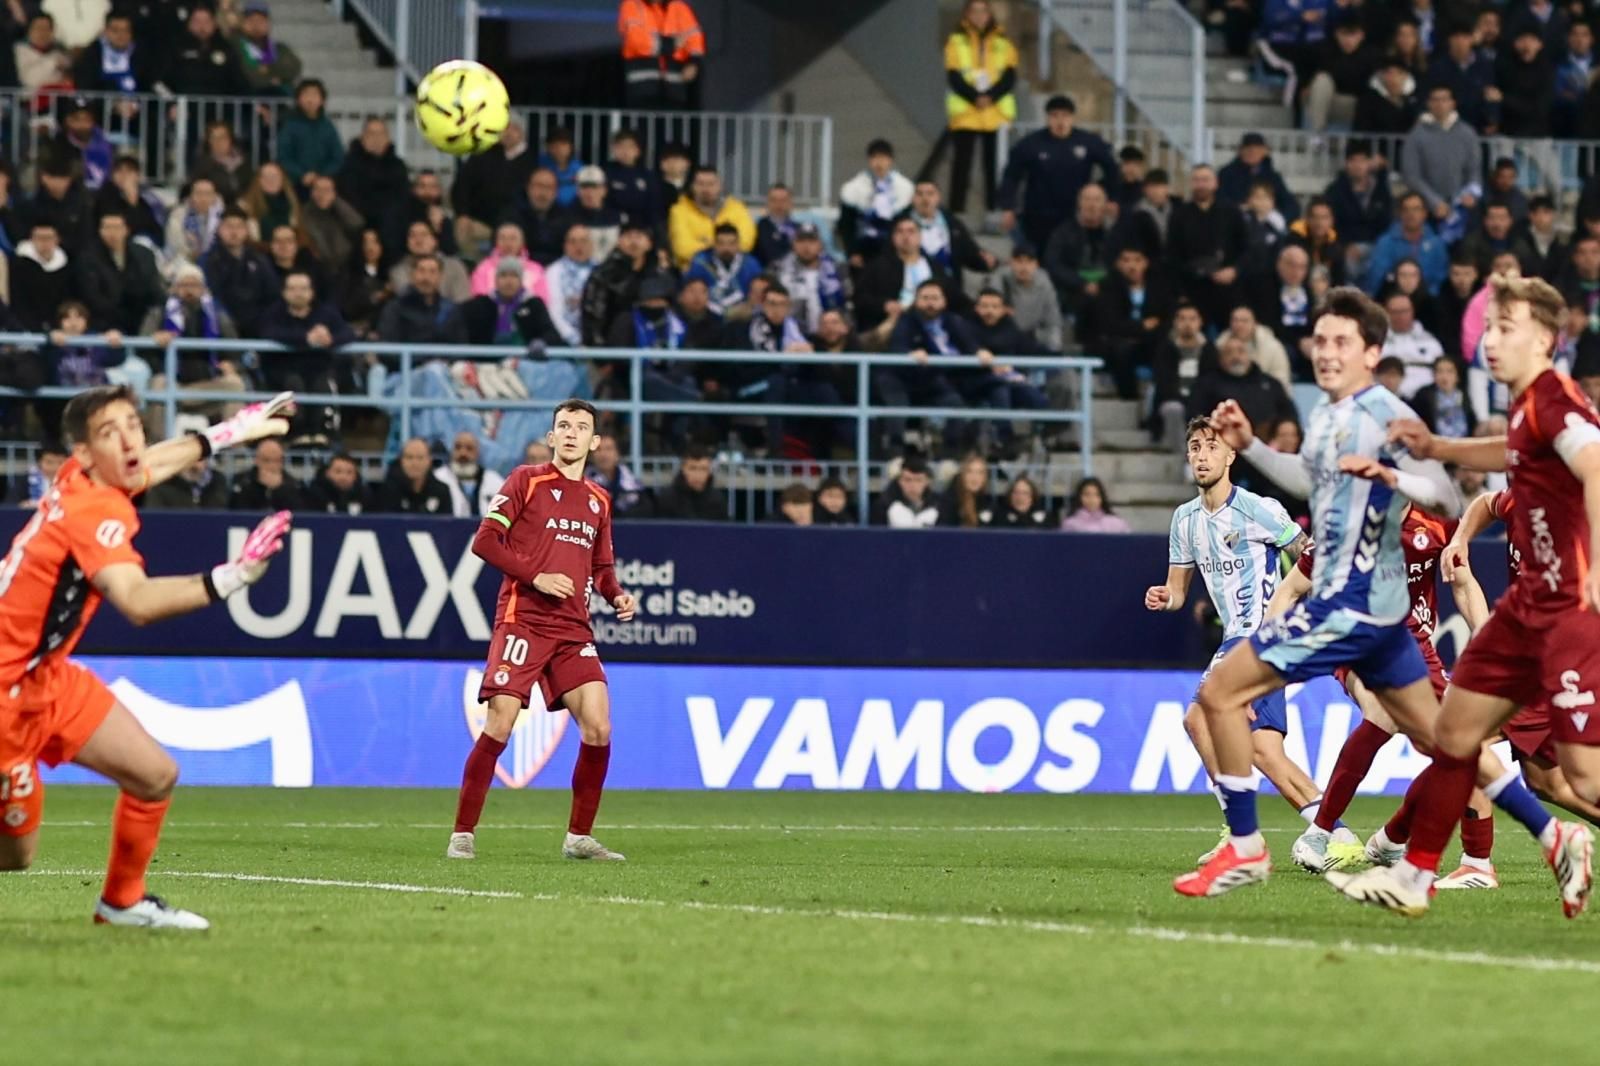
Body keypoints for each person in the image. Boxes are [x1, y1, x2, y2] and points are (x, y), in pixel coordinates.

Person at [1175, 287, 1468, 900]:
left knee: (1450, 740)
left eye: (1340, 342)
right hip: (1360, 615)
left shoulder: (1388, 414)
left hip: (1367, 616)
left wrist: (1394, 475)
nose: (1325, 353)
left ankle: (1282, 840)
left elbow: (1447, 499)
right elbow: (1311, 494)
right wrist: (1255, 447)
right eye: (1321, 341)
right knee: (1442, 740)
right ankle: (1536, 836)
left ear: (1370, 350)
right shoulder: (1330, 418)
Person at [1330, 274, 1600, 916]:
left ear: (1544, 338)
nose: (1490, 338)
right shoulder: (1525, 404)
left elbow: (1594, 464)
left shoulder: (1557, 402)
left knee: (1582, 778)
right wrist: (1437, 448)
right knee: (1453, 730)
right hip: (1522, 612)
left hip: (1567, 616)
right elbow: (1507, 455)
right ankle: (1417, 874)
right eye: (1490, 325)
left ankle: (1470, 858)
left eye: (1506, 328)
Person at [0, 385, 291, 928]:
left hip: (48, 680)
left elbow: (148, 464)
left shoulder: (78, 477)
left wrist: (228, 433)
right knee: (17, 857)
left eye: (134, 424)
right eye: (111, 433)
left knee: (154, 775)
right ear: (84, 454)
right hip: (5, 700)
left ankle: (122, 902)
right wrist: (233, 577)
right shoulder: (93, 513)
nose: (131, 440)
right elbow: (135, 601)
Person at [449, 400, 636, 866]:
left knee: (599, 726)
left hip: (573, 628)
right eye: (563, 426)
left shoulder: (599, 500)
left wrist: (616, 595)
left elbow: (602, 567)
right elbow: (485, 540)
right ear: (552, 437)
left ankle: (579, 837)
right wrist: (537, 576)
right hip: (524, 619)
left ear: (595, 442)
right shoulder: (525, 481)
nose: (571, 434)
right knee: (501, 723)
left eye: (581, 428)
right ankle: (463, 833)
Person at [1145, 416, 1332, 861]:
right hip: (1235, 635)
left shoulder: (1259, 508)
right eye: (1194, 447)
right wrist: (1164, 597)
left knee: (1197, 718)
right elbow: (1177, 592)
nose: (1202, 455)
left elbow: (1308, 557)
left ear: (1230, 455)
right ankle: (1336, 834)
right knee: (1265, 751)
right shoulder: (1184, 520)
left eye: (1212, 446)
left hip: (1261, 634)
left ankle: (1240, 833)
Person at [997, 94, 1118, 251]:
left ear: (1073, 118)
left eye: (1065, 116)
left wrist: (1111, 197)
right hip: (1038, 215)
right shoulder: (1031, 144)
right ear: (1047, 118)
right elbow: (1011, 176)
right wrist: (1008, 207)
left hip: (1075, 214)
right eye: (1055, 116)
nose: (1060, 121)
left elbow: (1112, 168)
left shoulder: (1088, 142)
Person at [939, 0, 1016, 215]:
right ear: (967, 14)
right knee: (962, 165)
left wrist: (990, 96)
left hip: (994, 112)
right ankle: (957, 212)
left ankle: (993, 210)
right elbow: (954, 76)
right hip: (966, 112)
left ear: (989, 14)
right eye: (975, 11)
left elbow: (1009, 77)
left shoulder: (1003, 41)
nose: (979, 16)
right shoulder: (956, 41)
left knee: (992, 166)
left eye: (983, 11)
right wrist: (976, 97)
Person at [1169, 165, 1247, 329]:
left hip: (1226, 290)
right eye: (1197, 180)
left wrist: (1235, 270)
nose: (1201, 184)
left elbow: (1246, 248)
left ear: (1215, 183)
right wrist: (1180, 292)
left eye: (1205, 180)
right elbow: (1172, 255)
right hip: (1193, 290)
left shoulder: (1231, 212)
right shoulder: (1179, 215)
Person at [854, 216, 957, 335]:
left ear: (920, 237)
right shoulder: (877, 267)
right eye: (900, 231)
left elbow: (955, 298)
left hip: (932, 321)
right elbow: (860, 299)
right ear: (893, 238)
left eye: (911, 231)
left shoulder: (936, 268)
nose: (905, 236)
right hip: (893, 323)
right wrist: (884, 305)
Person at [1400, 85, 1481, 226]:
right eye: (1435, 100)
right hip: (1427, 209)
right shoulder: (1416, 136)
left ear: (1452, 103)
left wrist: (1471, 194)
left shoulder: (1468, 133)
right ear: (1428, 103)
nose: (1440, 104)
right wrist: (1434, 202)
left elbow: (1474, 170)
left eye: (1444, 100)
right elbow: (1412, 175)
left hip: (1462, 207)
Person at [453, 121, 534, 254]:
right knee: (462, 229)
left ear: (521, 133)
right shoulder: (482, 155)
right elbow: (462, 185)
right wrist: (462, 214)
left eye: (513, 128)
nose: (508, 133)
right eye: (504, 128)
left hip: (514, 224)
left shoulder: (530, 162)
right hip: (480, 221)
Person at [898, 180, 993, 290]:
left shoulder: (952, 223)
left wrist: (986, 262)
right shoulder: (899, 222)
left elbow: (969, 252)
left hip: (948, 287)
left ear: (938, 197)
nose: (925, 199)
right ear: (912, 199)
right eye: (920, 194)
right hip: (911, 286)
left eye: (930, 193)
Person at [77, 210, 162, 333]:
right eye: (107, 228)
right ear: (100, 231)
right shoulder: (87, 258)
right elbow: (92, 296)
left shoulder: (144, 255)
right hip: (104, 324)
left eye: (117, 227)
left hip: (139, 318)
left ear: (126, 229)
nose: (112, 233)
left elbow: (152, 288)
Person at [581, 220, 663, 345]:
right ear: (619, 242)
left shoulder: (660, 276)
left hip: (654, 346)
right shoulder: (603, 275)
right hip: (613, 347)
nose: (634, 242)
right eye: (628, 236)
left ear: (649, 243)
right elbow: (592, 315)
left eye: (639, 237)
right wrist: (599, 355)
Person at [202, 206, 278, 339]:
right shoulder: (208, 260)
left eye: (239, 227)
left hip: (257, 326)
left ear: (247, 230)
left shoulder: (260, 261)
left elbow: (272, 295)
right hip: (222, 327)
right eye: (229, 226)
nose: (234, 232)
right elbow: (209, 296)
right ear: (219, 229)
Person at [838, 139, 914, 268]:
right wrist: (852, 252)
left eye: (883, 158)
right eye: (875, 158)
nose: (879, 163)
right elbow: (846, 225)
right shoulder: (854, 188)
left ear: (890, 160)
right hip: (863, 252)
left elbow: (907, 223)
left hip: (894, 252)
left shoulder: (904, 188)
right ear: (869, 160)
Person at [1043, 182, 1115, 321]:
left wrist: (1102, 285)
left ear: (1105, 204)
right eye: (1087, 199)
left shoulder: (1114, 233)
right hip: (1073, 292)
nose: (1091, 205)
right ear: (1079, 203)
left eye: (1097, 200)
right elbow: (1052, 263)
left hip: (1107, 290)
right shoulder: (1063, 232)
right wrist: (1081, 283)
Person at [617, 0, 704, 108]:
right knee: (643, 122)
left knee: (673, 121)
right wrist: (671, 44)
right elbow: (636, 40)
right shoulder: (632, 5)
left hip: (675, 88)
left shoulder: (679, 7)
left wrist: (694, 62)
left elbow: (694, 37)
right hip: (642, 88)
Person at [459, 257, 562, 348]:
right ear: (496, 280)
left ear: (521, 280)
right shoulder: (481, 304)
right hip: (485, 363)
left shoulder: (534, 304)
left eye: (514, 276)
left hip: (523, 362)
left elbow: (551, 334)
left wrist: (541, 343)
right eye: (503, 275)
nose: (509, 281)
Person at [668, 166, 755, 270]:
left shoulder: (737, 208)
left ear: (720, 186)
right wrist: (723, 247)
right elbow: (683, 248)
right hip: (695, 271)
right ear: (692, 186)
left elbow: (746, 243)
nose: (706, 189)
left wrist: (708, 245)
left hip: (735, 269)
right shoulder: (679, 211)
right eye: (700, 184)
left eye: (711, 184)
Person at [1364, 192, 1449, 296]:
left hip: (1427, 302)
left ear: (1425, 213)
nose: (1411, 214)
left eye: (1416, 209)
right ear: (1399, 213)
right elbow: (1376, 277)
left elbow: (1440, 279)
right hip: (1393, 300)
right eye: (1406, 209)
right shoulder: (1385, 243)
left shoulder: (1437, 244)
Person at [1305, 15, 1379, 133]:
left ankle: (1364, 144)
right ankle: (1317, 137)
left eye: (1353, 34)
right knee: (1322, 80)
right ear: (1336, 34)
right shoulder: (1326, 51)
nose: (1348, 39)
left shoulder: (1372, 55)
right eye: (1344, 34)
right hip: (1332, 103)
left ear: (1361, 35)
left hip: (1360, 106)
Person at [336, 116, 411, 229]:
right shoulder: (349, 164)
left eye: (381, 134)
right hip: (358, 221)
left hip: (391, 222)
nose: (377, 139)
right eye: (372, 134)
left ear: (387, 138)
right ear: (363, 137)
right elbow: (348, 194)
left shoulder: (397, 165)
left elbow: (402, 196)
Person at [378, 254, 466, 345]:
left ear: (440, 276)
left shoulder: (451, 310)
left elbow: (460, 346)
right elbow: (387, 348)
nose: (426, 278)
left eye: (432, 272)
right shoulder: (395, 309)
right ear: (412, 275)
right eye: (421, 271)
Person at [774, 222, 845, 335]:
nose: (806, 246)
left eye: (811, 241)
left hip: (828, 334)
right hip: (788, 333)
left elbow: (846, 305)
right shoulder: (778, 269)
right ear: (793, 244)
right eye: (801, 241)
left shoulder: (837, 269)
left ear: (820, 245)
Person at [277, 78, 343, 195]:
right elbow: (283, 156)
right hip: (296, 183)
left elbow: (337, 157)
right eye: (306, 94)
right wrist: (301, 175)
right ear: (298, 99)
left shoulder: (328, 126)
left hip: (324, 183)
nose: (310, 99)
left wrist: (322, 176)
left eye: (314, 95)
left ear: (322, 100)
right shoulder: (290, 125)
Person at [160, 6, 244, 97]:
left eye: (206, 21)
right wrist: (170, 104)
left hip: (220, 108)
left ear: (214, 24)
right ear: (189, 24)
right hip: (184, 107)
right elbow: (161, 82)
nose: (202, 26)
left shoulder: (226, 49)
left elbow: (238, 82)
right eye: (197, 22)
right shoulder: (177, 49)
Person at [1217, 133, 1298, 224]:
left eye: (1257, 149)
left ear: (1265, 151)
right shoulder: (1226, 174)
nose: (1252, 152)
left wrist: (1275, 216)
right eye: (1248, 149)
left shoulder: (1273, 176)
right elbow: (1220, 200)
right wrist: (1240, 209)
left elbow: (1289, 204)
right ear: (1240, 151)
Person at [993, 243, 1061, 350]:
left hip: (1032, 338)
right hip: (1003, 338)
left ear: (1036, 264)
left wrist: (1055, 351)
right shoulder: (999, 280)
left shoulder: (1045, 285)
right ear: (1011, 263)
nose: (1024, 267)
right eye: (1019, 262)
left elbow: (1053, 322)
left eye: (1029, 262)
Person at [503, 168, 576, 267]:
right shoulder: (512, 215)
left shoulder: (566, 218)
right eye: (539, 186)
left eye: (549, 187)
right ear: (528, 188)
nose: (543, 193)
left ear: (556, 192)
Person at [388, 221, 472, 306]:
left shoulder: (455, 267)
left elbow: (463, 303)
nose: (418, 240)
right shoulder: (398, 271)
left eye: (424, 234)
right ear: (407, 243)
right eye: (412, 236)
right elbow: (409, 304)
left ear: (435, 241)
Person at [72, 11, 155, 96]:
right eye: (115, 30)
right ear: (106, 31)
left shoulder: (141, 55)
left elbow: (151, 85)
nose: (121, 35)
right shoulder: (91, 55)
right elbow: (85, 90)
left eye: (126, 30)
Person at [1379, 291, 1445, 397]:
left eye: (1404, 311)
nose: (1400, 316)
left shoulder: (1430, 342)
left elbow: (1442, 372)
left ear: (1412, 312)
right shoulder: (1377, 342)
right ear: (1386, 313)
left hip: (1424, 402)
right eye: (1394, 312)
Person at [11, 221, 72, 332]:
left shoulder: (66, 265)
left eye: (49, 238)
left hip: (59, 327)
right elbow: (17, 300)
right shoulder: (18, 265)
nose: (44, 242)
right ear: (32, 240)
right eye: (39, 238)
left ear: (57, 240)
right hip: (26, 325)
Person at [231, 1, 301, 96]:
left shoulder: (279, 48)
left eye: (261, 21)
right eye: (251, 21)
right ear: (243, 23)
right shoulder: (235, 46)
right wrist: (270, 78)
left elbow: (293, 68)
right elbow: (242, 74)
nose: (256, 25)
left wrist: (268, 69)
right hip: (247, 99)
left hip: (277, 99)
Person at [299, 174, 364, 276]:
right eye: (318, 189)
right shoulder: (306, 212)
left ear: (334, 193)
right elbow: (316, 240)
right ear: (312, 192)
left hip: (345, 262)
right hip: (319, 265)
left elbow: (356, 223)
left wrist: (336, 202)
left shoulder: (339, 208)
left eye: (327, 190)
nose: (322, 194)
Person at [468, 221, 549, 302]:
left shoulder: (536, 270)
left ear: (522, 242)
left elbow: (541, 301)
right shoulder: (483, 268)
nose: (508, 243)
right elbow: (479, 299)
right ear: (496, 242)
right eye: (503, 238)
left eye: (513, 238)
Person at [646, 445, 728, 521]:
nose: (698, 475)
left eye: (703, 469)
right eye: (692, 468)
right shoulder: (666, 499)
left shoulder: (717, 500)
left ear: (709, 472)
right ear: (683, 469)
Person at [434, 430, 505, 518]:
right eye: (458, 447)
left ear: (478, 452)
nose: (463, 453)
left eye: (469, 448)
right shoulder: (438, 477)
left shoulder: (494, 481)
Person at [375, 437, 454, 515]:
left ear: (429, 460)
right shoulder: (388, 491)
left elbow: (447, 524)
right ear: (401, 460)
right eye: (409, 457)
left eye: (420, 458)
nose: (414, 463)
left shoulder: (442, 491)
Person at [1410, 355, 1476, 437]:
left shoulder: (1465, 395)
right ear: (1433, 375)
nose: (1444, 376)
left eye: (1450, 371)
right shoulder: (1424, 395)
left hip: (1464, 442)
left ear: (1457, 376)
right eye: (1440, 371)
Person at [228, 438, 302, 511]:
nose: (271, 466)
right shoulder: (242, 482)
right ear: (257, 460)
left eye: (276, 460)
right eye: (266, 460)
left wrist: (279, 490)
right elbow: (237, 511)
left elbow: (300, 513)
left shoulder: (294, 484)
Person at [162, 176, 222, 268]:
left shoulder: (222, 216)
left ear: (215, 197)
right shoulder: (178, 215)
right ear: (191, 196)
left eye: (208, 194)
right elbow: (175, 246)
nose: (203, 198)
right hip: (183, 262)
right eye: (199, 193)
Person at [188, 122, 253, 205]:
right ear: (208, 141)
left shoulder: (243, 161)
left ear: (230, 139)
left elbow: (250, 187)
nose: (218, 142)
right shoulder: (202, 165)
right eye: (213, 138)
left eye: (222, 137)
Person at [1352, 56, 1419, 136]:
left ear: (1406, 76)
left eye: (1399, 73)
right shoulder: (1368, 101)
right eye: (1389, 73)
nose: (1394, 78)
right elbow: (1359, 132)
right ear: (1382, 75)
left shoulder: (1413, 102)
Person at [870, 454, 940, 528]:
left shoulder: (939, 505)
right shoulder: (883, 505)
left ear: (927, 482)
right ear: (899, 481)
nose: (913, 485)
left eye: (918, 480)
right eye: (907, 480)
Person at [586, 433, 647, 515]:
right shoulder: (582, 485)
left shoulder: (634, 486)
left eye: (609, 449)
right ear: (591, 455)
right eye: (598, 449)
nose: (603, 454)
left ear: (617, 454)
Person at [569, 165, 620, 262]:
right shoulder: (569, 217)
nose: (589, 192)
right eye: (584, 187)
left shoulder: (615, 216)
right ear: (577, 190)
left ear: (604, 190)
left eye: (594, 187)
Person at [143, 456, 229, 510]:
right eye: (190, 456)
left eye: (200, 456)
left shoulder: (217, 482)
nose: (195, 460)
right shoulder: (163, 485)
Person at [303, 452, 372, 514]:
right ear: (327, 473)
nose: (343, 477)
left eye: (349, 472)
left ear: (355, 476)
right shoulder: (314, 494)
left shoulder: (364, 496)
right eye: (338, 471)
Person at [936, 453, 993, 527]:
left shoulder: (988, 502)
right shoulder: (948, 501)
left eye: (980, 473)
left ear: (985, 478)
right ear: (963, 475)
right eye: (969, 472)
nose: (975, 477)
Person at [1059, 476, 1131, 533]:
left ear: (1102, 498)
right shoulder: (1070, 524)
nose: (1092, 499)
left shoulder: (1117, 523)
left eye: (1097, 495)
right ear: (1079, 497)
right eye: (1087, 494)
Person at [755, 183, 797, 267]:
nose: (779, 205)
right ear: (767, 203)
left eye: (783, 200)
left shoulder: (799, 230)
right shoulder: (756, 228)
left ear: (791, 203)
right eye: (774, 200)